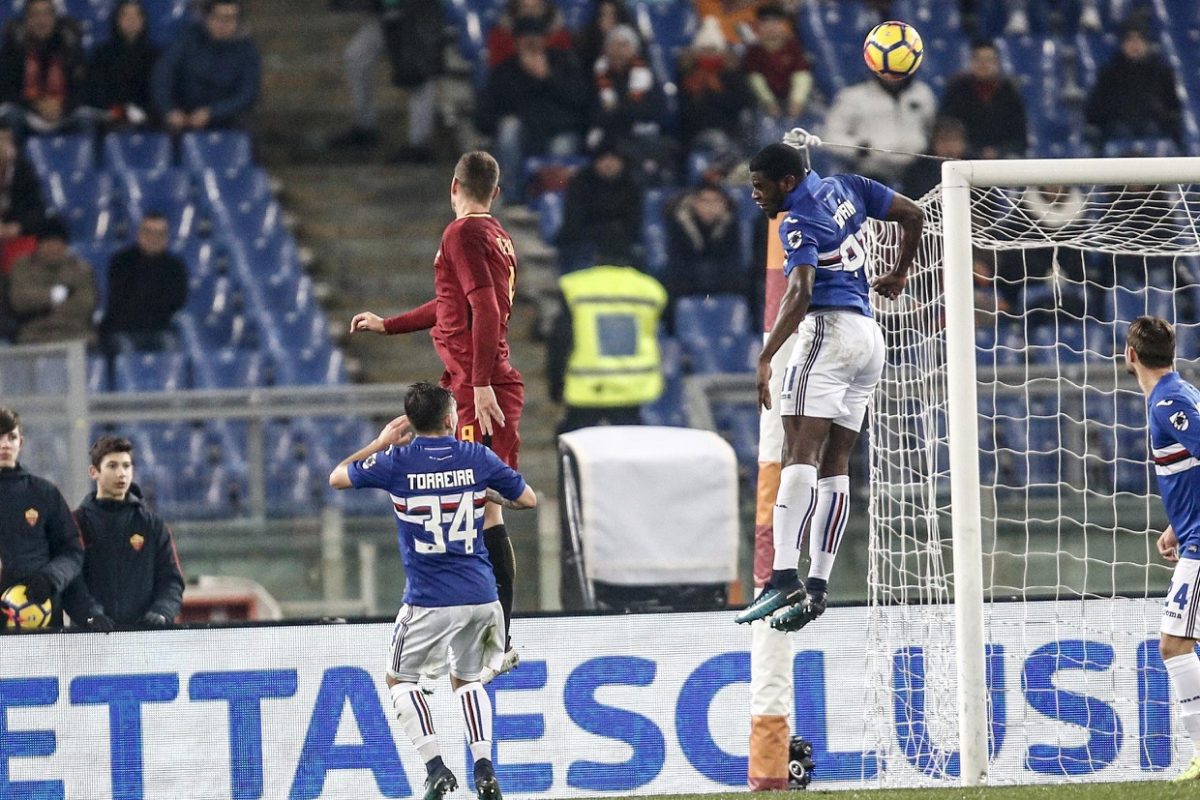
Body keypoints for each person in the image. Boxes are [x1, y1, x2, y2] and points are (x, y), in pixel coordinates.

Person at [735, 136, 923, 631]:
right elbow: (914, 215)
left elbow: (799, 291)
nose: (755, 195)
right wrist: (900, 274)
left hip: (829, 333)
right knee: (835, 461)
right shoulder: (848, 186)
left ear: (787, 182)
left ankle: (781, 577)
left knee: (799, 450)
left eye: (759, 187)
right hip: (869, 340)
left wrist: (766, 356)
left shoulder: (797, 222)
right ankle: (817, 586)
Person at [349, 152, 524, 681]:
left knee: (485, 508)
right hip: (472, 382)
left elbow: (487, 308)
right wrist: (391, 325)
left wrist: (480, 383)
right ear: (494, 192)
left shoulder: (461, 235)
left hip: (476, 385)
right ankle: (486, 641)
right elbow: (453, 306)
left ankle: (496, 642)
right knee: (479, 505)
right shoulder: (495, 236)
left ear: (454, 187)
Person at [328, 381, 536, 800]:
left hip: (428, 599)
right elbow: (527, 500)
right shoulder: (476, 457)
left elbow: (336, 478)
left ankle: (437, 768)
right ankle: (484, 771)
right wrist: (484, 491)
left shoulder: (395, 460)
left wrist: (378, 443)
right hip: (481, 595)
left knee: (398, 679)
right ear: (448, 419)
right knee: (469, 680)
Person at [1124, 316, 1200, 782]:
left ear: (1130, 356)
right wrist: (1177, 523)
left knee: (1174, 645)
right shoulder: (1177, 392)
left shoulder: (1169, 401)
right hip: (1191, 534)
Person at [61, 436, 184, 631]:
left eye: (126, 466)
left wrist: (162, 612)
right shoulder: (75, 524)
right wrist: (90, 615)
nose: (121, 473)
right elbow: (69, 580)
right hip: (90, 641)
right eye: (112, 466)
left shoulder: (153, 526)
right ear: (94, 472)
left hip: (143, 640)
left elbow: (171, 580)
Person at [545, 243, 667, 434]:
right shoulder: (650, 289)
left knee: (575, 452)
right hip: (634, 388)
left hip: (586, 388)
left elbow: (561, 340)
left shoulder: (575, 286)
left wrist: (556, 384)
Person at [475, 16, 587, 199]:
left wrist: (547, 78)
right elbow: (484, 117)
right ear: (516, 42)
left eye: (536, 40)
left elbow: (580, 101)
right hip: (523, 134)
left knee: (561, 147)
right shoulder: (505, 71)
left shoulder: (565, 63)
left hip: (559, 129)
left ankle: (553, 202)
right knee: (509, 129)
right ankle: (513, 197)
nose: (531, 45)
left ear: (545, 40)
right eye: (526, 41)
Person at [0, 407, 85, 630]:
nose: (5, 444)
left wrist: (49, 579)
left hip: (43, 622)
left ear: (22, 442)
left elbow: (72, 551)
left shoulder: (44, 493)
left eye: (11, 437)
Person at [151, 0, 261, 132]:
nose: (224, 24)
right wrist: (169, 109)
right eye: (218, 18)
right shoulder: (188, 38)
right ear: (207, 18)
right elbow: (164, 73)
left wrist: (213, 112)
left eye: (230, 19)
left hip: (227, 118)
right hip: (185, 115)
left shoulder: (247, 50)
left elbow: (247, 94)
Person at [98, 213, 189, 353]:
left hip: (159, 328)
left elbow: (176, 301)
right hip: (123, 328)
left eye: (160, 234)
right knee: (124, 350)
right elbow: (120, 300)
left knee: (170, 347)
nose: (154, 238)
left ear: (166, 237)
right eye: (149, 232)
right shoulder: (121, 262)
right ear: (139, 234)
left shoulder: (176, 267)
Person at [823, 73, 936, 185]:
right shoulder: (854, 97)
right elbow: (831, 135)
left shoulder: (922, 93)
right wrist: (859, 147)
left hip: (915, 169)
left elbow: (933, 129)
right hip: (871, 171)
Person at [1085, 25, 1182, 147]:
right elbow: (1096, 107)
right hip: (1117, 129)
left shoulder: (1162, 73)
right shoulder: (1108, 74)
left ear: (1146, 44)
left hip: (1154, 127)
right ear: (1122, 45)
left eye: (1139, 40)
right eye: (1130, 41)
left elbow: (1173, 106)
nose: (1134, 45)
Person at [0, 0, 87, 135]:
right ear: (27, 19)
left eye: (47, 14)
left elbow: (82, 88)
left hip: (63, 111)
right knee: (10, 117)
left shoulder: (69, 44)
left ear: (55, 18)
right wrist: (36, 105)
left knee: (85, 119)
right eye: (35, 15)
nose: (42, 20)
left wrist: (63, 106)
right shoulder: (14, 47)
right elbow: (7, 89)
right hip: (27, 111)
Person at [555, 139, 643, 273]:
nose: (609, 163)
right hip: (582, 240)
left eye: (614, 159)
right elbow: (573, 223)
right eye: (603, 158)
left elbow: (633, 224)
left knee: (638, 253)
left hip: (620, 242)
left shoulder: (631, 185)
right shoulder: (580, 182)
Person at [7, 216, 96, 345]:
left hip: (76, 335)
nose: (52, 248)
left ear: (65, 246)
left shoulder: (81, 269)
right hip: (34, 337)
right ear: (38, 245)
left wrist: (42, 305)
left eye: (57, 243)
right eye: (47, 242)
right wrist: (59, 294)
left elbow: (86, 305)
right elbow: (20, 301)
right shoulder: (22, 267)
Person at [663, 183, 747, 321]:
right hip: (687, 280)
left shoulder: (731, 224)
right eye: (705, 202)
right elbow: (677, 261)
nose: (710, 207)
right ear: (694, 203)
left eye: (716, 202)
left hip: (721, 280)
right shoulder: (678, 223)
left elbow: (732, 260)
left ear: (724, 204)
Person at [938, 40, 1027, 159]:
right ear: (971, 62)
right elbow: (948, 128)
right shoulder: (957, 91)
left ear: (997, 63)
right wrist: (973, 151)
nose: (984, 64)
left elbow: (1020, 137)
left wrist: (999, 151)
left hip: (1002, 157)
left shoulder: (1010, 94)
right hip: (965, 155)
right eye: (978, 59)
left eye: (989, 60)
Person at [677, 17, 749, 153]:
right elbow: (684, 110)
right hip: (695, 132)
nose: (709, 55)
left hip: (729, 130)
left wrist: (717, 92)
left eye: (713, 50)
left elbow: (739, 104)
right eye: (704, 50)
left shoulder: (731, 75)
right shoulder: (688, 76)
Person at [83, 0, 159, 129]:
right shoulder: (102, 54)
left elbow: (158, 90)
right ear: (117, 20)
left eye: (136, 15)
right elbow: (95, 90)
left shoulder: (156, 55)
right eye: (126, 15)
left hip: (146, 119)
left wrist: (140, 112)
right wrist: (119, 111)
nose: (131, 20)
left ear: (143, 20)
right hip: (109, 118)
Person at [742, 4, 813, 142]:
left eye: (776, 22)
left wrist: (797, 101)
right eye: (766, 22)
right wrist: (769, 102)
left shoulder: (794, 48)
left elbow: (802, 75)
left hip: (793, 101)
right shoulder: (754, 52)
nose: (771, 27)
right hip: (762, 104)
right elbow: (755, 79)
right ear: (758, 26)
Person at [899, 116, 967, 199]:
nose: (950, 147)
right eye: (944, 140)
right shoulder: (917, 172)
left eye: (955, 140)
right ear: (933, 143)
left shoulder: (974, 166)